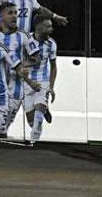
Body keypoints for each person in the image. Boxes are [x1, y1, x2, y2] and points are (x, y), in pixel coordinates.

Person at [0, 0, 37, 134]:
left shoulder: (23, 36)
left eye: (15, 13)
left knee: (2, 129)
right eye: (10, 13)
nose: (14, 16)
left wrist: (19, 66)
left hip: (15, 90)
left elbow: (37, 58)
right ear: (1, 16)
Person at [24, 13, 58, 142]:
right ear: (38, 28)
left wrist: (51, 87)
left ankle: (33, 146)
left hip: (42, 83)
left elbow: (53, 66)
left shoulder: (51, 44)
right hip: (27, 83)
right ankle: (44, 110)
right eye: (48, 27)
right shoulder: (27, 41)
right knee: (31, 122)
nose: (51, 29)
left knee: (37, 122)